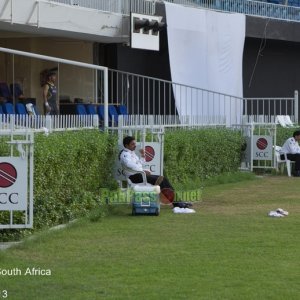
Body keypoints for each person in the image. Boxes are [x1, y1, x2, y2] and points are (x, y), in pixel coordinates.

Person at [119, 136, 175, 203]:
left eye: (135, 143)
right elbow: (130, 166)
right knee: (161, 180)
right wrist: (142, 171)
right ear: (126, 145)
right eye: (132, 144)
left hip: (139, 175)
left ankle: (174, 199)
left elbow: (139, 164)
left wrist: (142, 155)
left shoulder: (131, 153)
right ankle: (174, 201)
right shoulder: (125, 154)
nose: (135, 145)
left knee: (163, 179)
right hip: (134, 177)